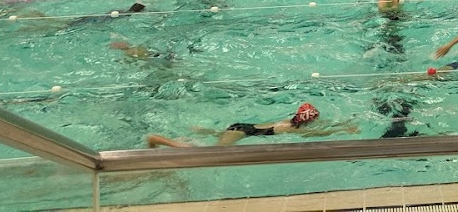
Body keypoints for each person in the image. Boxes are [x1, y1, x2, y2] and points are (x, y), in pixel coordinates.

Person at [146, 103, 358, 147]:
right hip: (240, 133)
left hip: (240, 127)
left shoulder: (290, 121)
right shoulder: (292, 129)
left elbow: (318, 127)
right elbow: (319, 134)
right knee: (211, 154)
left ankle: (206, 131)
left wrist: (344, 123)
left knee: (227, 135)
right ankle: (164, 141)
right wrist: (342, 129)